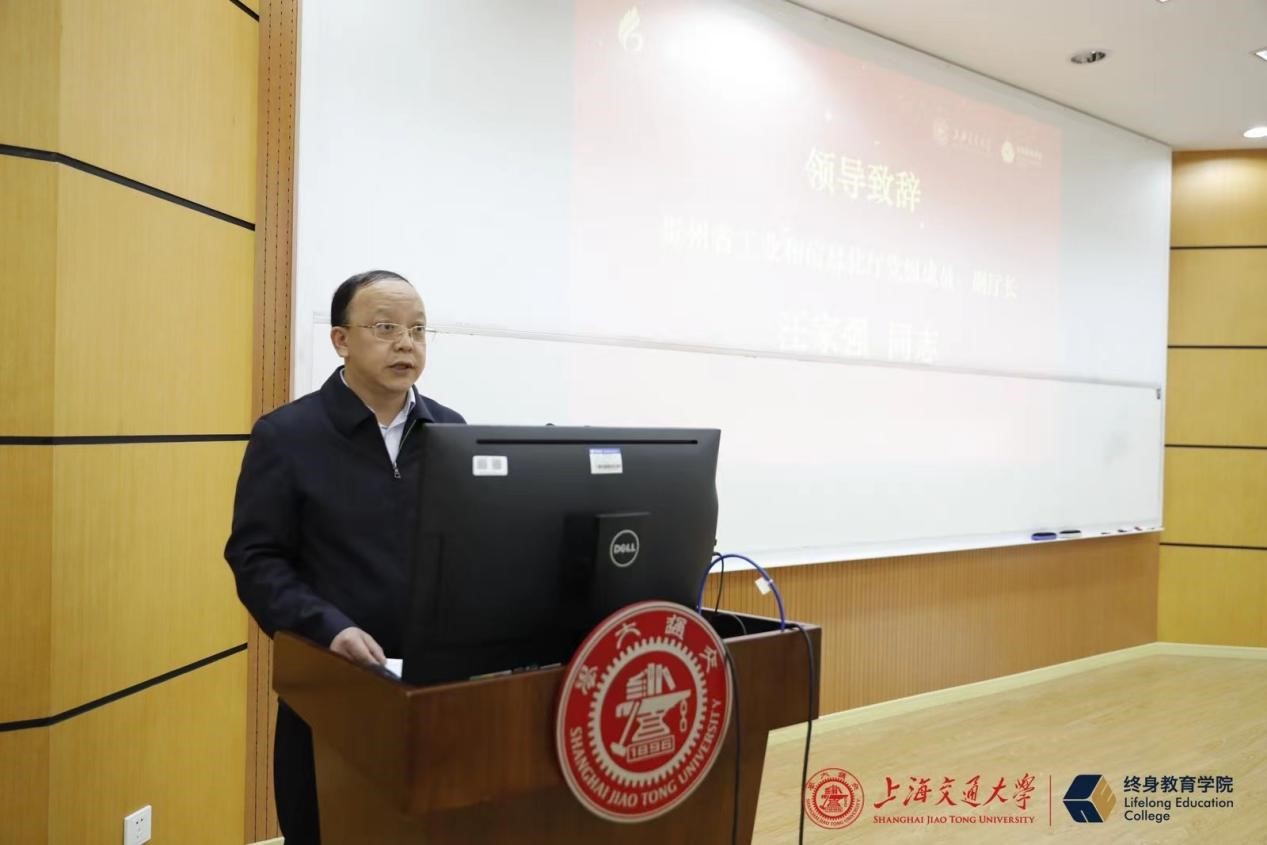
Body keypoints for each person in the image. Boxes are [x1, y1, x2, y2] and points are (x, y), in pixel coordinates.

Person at [224, 270, 464, 845]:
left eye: (418, 329)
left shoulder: (451, 433)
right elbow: (256, 559)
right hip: (333, 686)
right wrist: (328, 629)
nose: (406, 343)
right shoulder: (288, 435)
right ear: (341, 340)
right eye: (385, 328)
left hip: (435, 690)